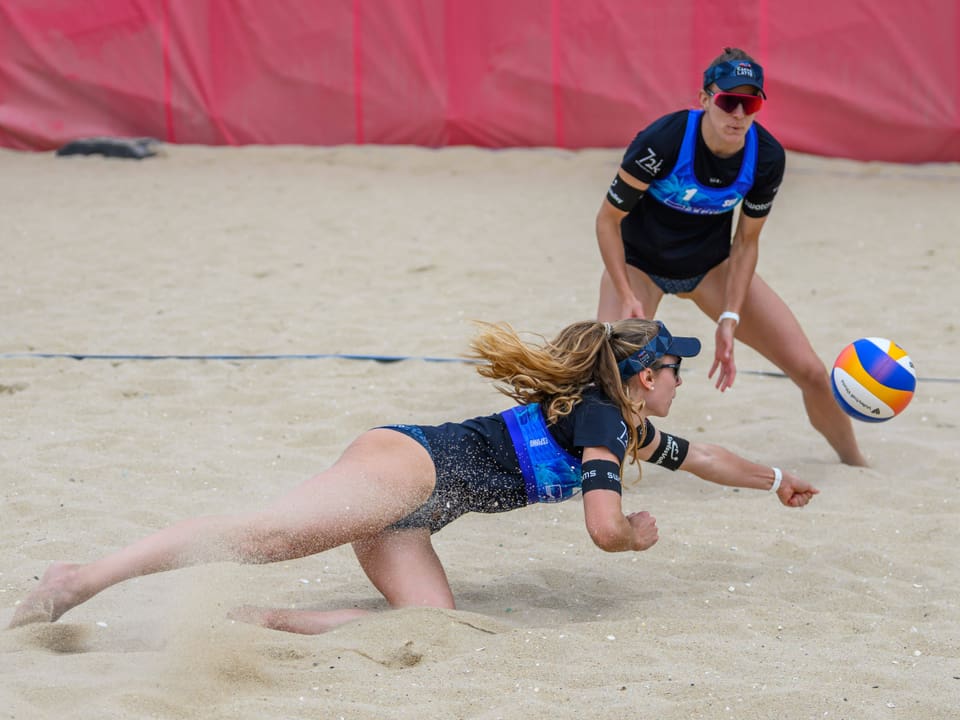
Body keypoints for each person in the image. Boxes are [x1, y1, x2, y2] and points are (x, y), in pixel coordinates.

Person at [8, 318, 818, 636]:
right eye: (672, 371)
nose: (678, 383)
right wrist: (635, 540)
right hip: (409, 468)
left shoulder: (623, 424)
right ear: (645, 379)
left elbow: (706, 459)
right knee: (269, 535)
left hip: (415, 511)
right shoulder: (605, 421)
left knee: (432, 626)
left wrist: (776, 475)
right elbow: (605, 530)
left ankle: (247, 622)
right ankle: (79, 578)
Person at [595, 47, 866, 467]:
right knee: (609, 380)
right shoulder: (661, 141)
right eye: (728, 100)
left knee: (811, 371)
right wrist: (627, 292)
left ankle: (856, 466)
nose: (738, 113)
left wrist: (730, 318)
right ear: (706, 99)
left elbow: (746, 243)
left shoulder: (766, 156)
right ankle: (592, 474)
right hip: (639, 268)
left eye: (750, 102)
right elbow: (607, 220)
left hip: (710, 270)